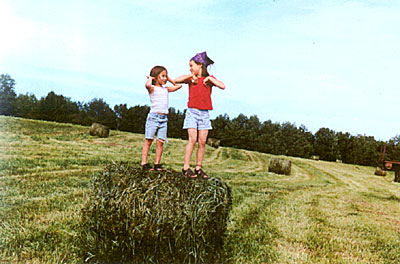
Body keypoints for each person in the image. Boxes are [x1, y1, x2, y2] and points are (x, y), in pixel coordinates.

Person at [175, 52, 225, 179]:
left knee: (202, 142)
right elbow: (176, 80)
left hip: (204, 114)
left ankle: (198, 168)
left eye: (192, 66)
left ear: (200, 65)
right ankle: (186, 168)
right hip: (192, 112)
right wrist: (191, 76)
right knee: (192, 140)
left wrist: (210, 79)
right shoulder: (192, 79)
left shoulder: (209, 80)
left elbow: (222, 86)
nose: (190, 68)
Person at [141, 66, 182, 171]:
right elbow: (147, 85)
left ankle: (157, 164)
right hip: (153, 117)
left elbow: (179, 86)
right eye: (162, 76)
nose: (165, 78)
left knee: (160, 142)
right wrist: (150, 78)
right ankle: (144, 163)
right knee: (149, 140)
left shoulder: (166, 90)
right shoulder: (152, 89)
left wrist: (169, 79)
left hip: (164, 119)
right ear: (156, 77)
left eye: (166, 76)